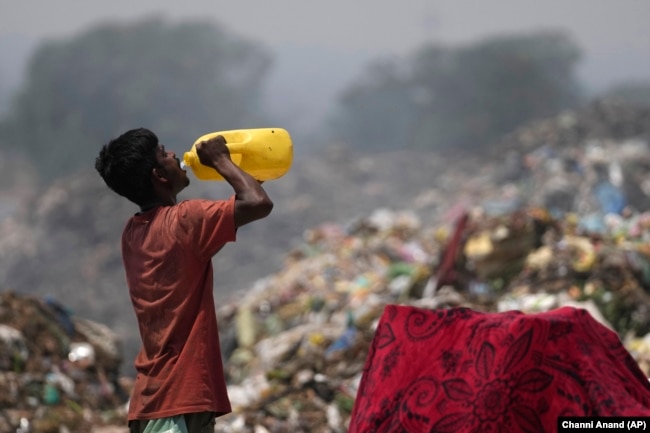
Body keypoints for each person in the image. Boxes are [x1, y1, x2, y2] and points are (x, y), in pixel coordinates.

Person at [95, 128, 273, 433]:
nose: (175, 155)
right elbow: (258, 203)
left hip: (149, 402)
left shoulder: (132, 233)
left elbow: (229, 219)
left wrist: (244, 171)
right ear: (159, 176)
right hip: (180, 401)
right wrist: (220, 161)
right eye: (164, 153)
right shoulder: (186, 220)